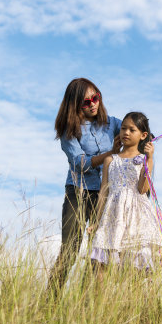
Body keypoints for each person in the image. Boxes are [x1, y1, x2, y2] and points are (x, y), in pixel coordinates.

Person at [48, 78, 122, 291]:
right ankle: (49, 304)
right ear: (75, 106)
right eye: (86, 102)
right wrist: (111, 154)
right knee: (69, 250)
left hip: (105, 194)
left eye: (95, 98)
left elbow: (131, 128)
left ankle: (86, 307)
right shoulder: (68, 130)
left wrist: (145, 136)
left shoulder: (112, 123)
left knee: (98, 254)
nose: (93, 104)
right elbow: (80, 164)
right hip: (78, 192)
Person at [88, 112, 162, 272]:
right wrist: (96, 220)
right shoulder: (110, 160)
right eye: (123, 128)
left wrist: (149, 159)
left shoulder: (144, 159)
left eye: (132, 130)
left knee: (134, 264)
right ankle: (101, 297)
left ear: (143, 135)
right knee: (101, 262)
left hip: (136, 215)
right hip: (113, 213)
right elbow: (104, 192)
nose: (126, 133)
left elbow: (142, 189)